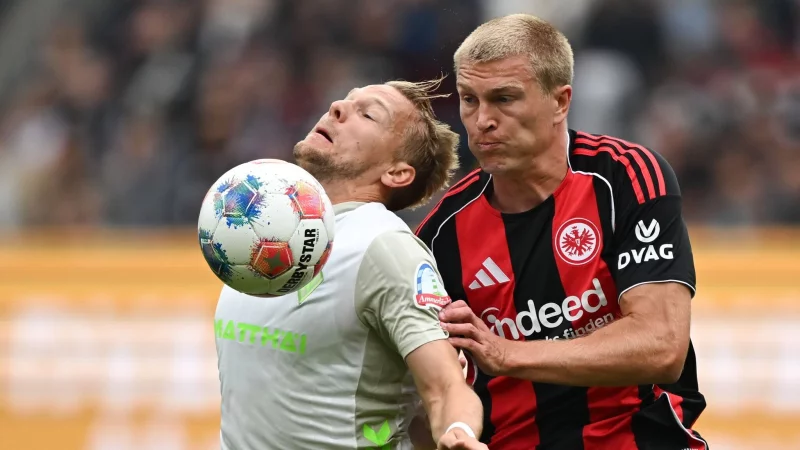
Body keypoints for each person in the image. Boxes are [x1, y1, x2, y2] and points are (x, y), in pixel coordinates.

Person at [415, 14, 709, 450]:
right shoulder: (440, 233)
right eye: (469, 100)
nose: (482, 121)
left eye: (504, 98)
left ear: (560, 101)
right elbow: (431, 393)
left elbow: (662, 346)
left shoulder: (624, 177)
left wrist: (507, 353)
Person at [214, 78, 487, 450]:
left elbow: (444, 386)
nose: (337, 108)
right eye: (345, 100)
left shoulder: (383, 246)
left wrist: (459, 431)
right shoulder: (264, 233)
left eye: (368, 114)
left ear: (397, 172)